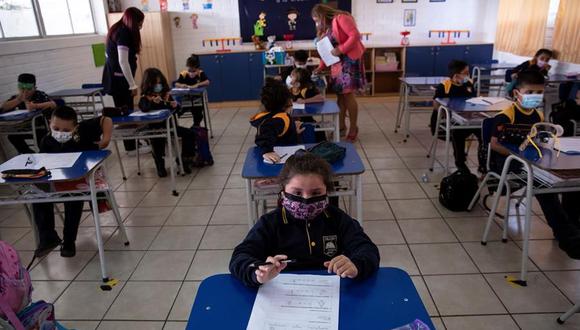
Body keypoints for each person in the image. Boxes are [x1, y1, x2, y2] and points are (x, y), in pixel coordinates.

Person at [229, 152, 380, 287]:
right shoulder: (270, 223)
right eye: (297, 192)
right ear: (283, 191)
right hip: (282, 294)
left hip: (330, 293)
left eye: (316, 192)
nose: (306, 199)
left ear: (327, 191)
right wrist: (257, 272)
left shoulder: (338, 218)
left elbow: (368, 250)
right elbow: (239, 257)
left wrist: (356, 265)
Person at [490, 70, 580, 259]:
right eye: (530, 92)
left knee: (560, 183)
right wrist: (521, 156)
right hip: (507, 162)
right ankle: (569, 238)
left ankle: (568, 231)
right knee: (543, 186)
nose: (535, 97)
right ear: (517, 93)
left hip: (529, 162)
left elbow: (537, 141)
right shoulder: (505, 116)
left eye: (539, 93)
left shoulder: (538, 116)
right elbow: (495, 145)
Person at [32, 106, 113, 258]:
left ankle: (69, 240)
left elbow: (106, 119)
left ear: (75, 128)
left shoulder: (84, 131)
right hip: (57, 179)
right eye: (56, 128)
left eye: (66, 130)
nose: (60, 133)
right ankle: (47, 236)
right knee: (37, 195)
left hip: (81, 179)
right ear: (50, 123)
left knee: (74, 199)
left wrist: (105, 140)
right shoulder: (46, 140)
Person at [311, 4, 365, 142]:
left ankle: (353, 128)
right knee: (340, 97)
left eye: (317, 19)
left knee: (347, 95)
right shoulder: (327, 29)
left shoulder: (341, 18)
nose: (317, 23)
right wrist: (320, 67)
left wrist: (340, 49)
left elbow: (355, 36)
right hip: (337, 64)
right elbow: (326, 52)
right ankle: (341, 127)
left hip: (350, 61)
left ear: (323, 15)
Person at [102, 7, 146, 154]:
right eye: (140, 23)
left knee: (127, 111)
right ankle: (131, 147)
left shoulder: (117, 29)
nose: (141, 26)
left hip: (117, 78)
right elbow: (122, 61)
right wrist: (132, 84)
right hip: (120, 81)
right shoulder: (123, 33)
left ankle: (133, 143)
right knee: (126, 113)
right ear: (133, 21)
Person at [139, 68, 196, 177]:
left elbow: (176, 110)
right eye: (155, 83)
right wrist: (152, 103)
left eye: (159, 83)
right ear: (149, 84)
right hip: (154, 129)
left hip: (171, 127)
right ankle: (160, 165)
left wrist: (176, 106)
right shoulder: (145, 97)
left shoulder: (166, 95)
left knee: (190, 134)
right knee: (157, 141)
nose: (158, 85)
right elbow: (144, 108)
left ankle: (184, 161)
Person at [431, 60, 483, 172]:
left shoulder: (468, 84)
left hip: (466, 120)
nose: (468, 75)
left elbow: (473, 101)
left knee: (483, 132)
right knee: (458, 133)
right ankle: (461, 165)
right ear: (456, 74)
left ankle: (483, 165)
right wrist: (451, 116)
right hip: (447, 122)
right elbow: (436, 106)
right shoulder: (444, 86)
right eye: (465, 72)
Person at [250, 78, 304, 164]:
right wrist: (267, 151)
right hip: (284, 159)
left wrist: (292, 130)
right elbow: (265, 131)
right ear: (286, 102)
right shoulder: (280, 119)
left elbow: (279, 133)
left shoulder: (271, 115)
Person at [1, 73, 56, 154]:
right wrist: (18, 100)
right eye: (22, 88)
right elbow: (4, 107)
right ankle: (28, 154)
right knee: (12, 137)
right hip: (23, 128)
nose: (25, 92)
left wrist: (36, 105)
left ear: (34, 88)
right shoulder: (17, 97)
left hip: (40, 127)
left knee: (41, 138)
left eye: (28, 89)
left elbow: (53, 104)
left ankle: (43, 154)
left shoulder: (40, 95)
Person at [175, 54, 210, 127]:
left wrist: (197, 85)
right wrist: (182, 85)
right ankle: (174, 126)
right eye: (189, 67)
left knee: (198, 113)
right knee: (177, 111)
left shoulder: (200, 73)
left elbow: (207, 82)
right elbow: (176, 84)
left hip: (197, 99)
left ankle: (196, 127)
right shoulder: (184, 73)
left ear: (196, 66)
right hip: (185, 99)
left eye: (193, 67)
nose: (191, 69)